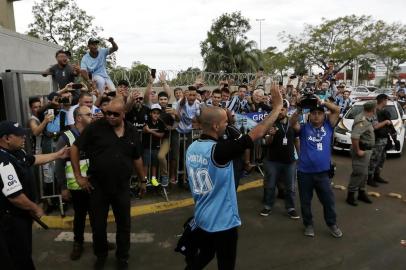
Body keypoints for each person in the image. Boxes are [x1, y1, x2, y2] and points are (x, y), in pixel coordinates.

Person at [184, 82, 283, 270]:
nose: (227, 124)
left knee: (203, 256)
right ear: (215, 126)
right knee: (225, 264)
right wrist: (277, 107)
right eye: (224, 122)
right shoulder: (218, 151)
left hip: (202, 218)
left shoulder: (192, 147)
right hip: (222, 222)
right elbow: (258, 132)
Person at [71, 98, 146, 269]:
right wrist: (78, 176)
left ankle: (122, 258)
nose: (110, 116)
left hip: (122, 187)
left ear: (123, 114)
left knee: (124, 225)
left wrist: (143, 180)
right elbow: (75, 148)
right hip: (98, 186)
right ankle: (101, 255)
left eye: (115, 114)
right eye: (107, 113)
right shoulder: (95, 128)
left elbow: (137, 158)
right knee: (98, 226)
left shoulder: (132, 131)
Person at [0, 120, 69, 270]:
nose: (24, 137)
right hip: (12, 220)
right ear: (6, 139)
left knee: (25, 252)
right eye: (19, 135)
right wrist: (35, 208)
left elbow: (33, 160)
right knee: (19, 256)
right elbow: (15, 196)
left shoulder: (17, 152)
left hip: (23, 216)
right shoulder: (3, 161)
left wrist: (58, 154)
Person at [290, 97, 343, 238]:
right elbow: (292, 123)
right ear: (309, 115)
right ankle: (308, 225)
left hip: (323, 174)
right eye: (313, 113)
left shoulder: (329, 125)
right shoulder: (304, 128)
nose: (316, 115)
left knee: (328, 201)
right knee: (305, 202)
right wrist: (299, 109)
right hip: (304, 173)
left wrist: (323, 102)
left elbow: (337, 110)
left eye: (320, 113)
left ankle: (332, 224)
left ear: (324, 115)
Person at [54, 106, 93, 260]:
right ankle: (78, 244)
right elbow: (58, 164)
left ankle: (99, 241)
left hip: (93, 183)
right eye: (88, 114)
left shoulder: (92, 134)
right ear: (78, 118)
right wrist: (63, 187)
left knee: (97, 215)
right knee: (80, 217)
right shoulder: (66, 137)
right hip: (76, 186)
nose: (92, 116)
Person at [260, 99, 300, 219]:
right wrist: (271, 135)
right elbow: (266, 142)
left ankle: (291, 208)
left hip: (289, 161)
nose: (280, 112)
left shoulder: (292, 123)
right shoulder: (270, 122)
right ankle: (267, 206)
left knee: (290, 187)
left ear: (287, 110)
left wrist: (300, 156)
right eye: (278, 109)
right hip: (272, 161)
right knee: (270, 185)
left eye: (282, 109)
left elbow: (297, 140)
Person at [346, 102, 376, 206]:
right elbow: (354, 136)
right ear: (373, 109)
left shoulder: (366, 118)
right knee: (359, 173)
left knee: (364, 174)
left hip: (366, 151)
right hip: (361, 151)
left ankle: (361, 192)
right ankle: (351, 195)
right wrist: (358, 150)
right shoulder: (362, 120)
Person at [367, 94, 393, 187]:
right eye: (386, 100)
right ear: (383, 100)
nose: (387, 102)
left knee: (382, 158)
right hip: (376, 139)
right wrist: (386, 122)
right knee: (374, 158)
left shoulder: (384, 111)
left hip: (383, 138)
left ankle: (377, 175)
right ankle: (369, 177)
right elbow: (375, 126)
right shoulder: (374, 111)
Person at [142, 104, 165, 186]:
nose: (156, 115)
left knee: (154, 163)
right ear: (150, 113)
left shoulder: (161, 123)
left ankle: (153, 178)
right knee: (146, 163)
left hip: (156, 146)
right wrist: (147, 130)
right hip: (147, 146)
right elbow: (144, 130)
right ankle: (145, 179)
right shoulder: (147, 121)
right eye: (154, 113)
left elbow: (161, 134)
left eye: (158, 113)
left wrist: (151, 131)